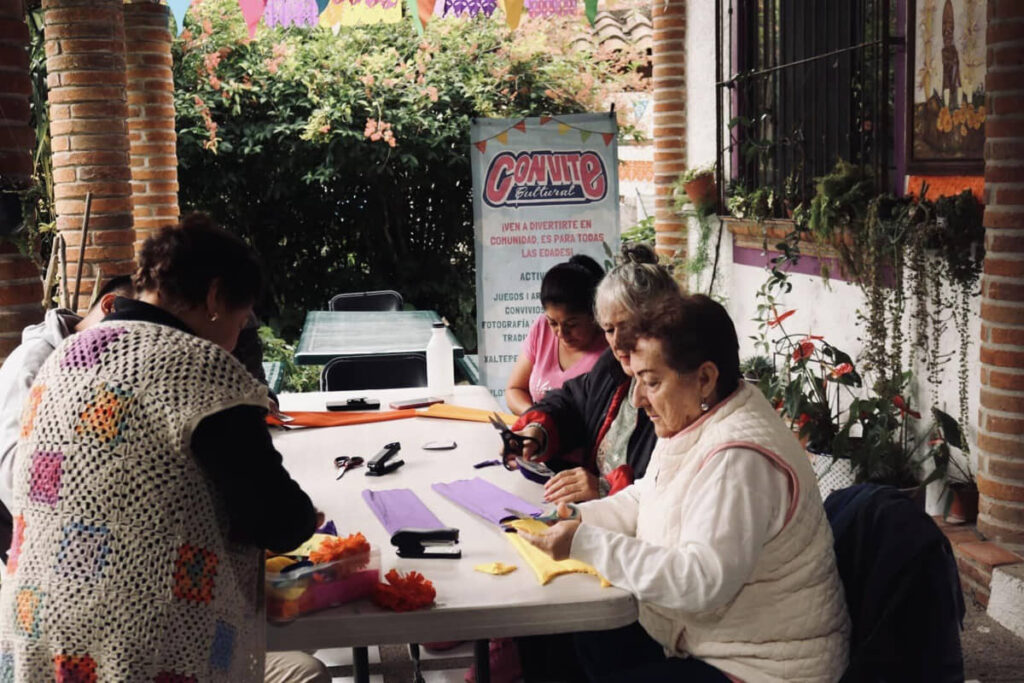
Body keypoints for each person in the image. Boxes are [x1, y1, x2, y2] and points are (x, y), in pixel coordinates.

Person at [0, 214, 327, 683]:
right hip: (135, 654)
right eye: (240, 321)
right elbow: (275, 519)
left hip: (35, 641)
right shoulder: (200, 371)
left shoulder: (67, 357)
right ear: (215, 297)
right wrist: (303, 515)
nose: (237, 341)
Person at [521, 294, 850, 683]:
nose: (639, 399)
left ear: (706, 378)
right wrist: (575, 517)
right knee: (565, 635)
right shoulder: (700, 413)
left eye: (652, 382)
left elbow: (700, 581)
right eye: (638, 382)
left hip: (760, 668)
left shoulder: (739, 459)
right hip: (705, 640)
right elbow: (649, 494)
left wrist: (586, 542)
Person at [507, 244, 679, 504]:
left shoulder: (680, 389)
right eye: (609, 330)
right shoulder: (612, 367)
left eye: (628, 327)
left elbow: (667, 486)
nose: (618, 344)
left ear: (662, 322)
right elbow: (573, 401)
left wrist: (603, 489)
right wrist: (537, 430)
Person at [0, 275, 136, 560]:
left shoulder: (102, 365)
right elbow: (11, 474)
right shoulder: (34, 361)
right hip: (29, 537)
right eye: (137, 327)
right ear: (110, 306)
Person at [505, 255, 607, 415]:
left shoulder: (609, 351)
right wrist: (536, 417)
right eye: (553, 323)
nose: (561, 333)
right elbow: (515, 389)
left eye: (572, 325)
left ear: (595, 315)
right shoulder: (541, 328)